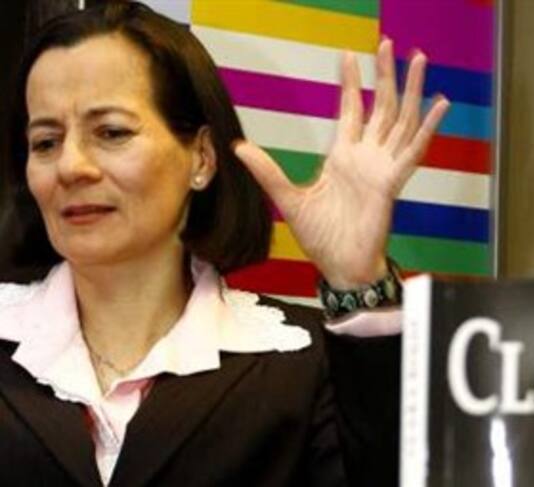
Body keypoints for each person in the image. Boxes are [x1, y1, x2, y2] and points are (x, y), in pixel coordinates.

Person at [0, 2, 449, 486]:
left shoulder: (299, 362)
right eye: (45, 142)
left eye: (111, 132)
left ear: (202, 156)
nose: (70, 167)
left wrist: (357, 280)